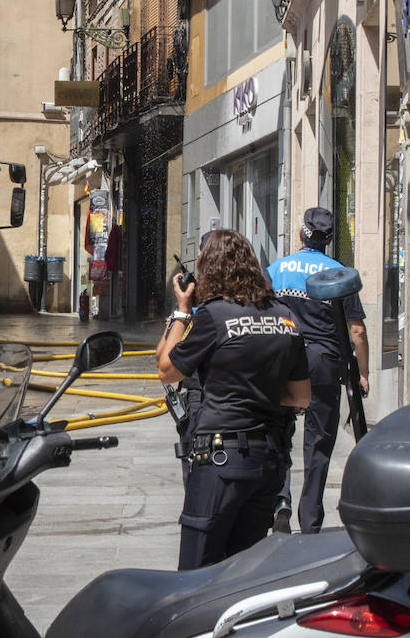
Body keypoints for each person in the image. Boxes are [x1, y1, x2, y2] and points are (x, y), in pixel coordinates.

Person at [156, 229, 310, 570]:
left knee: (197, 574)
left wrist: (182, 311)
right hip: (268, 461)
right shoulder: (285, 317)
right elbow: (301, 396)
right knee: (244, 572)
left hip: (221, 461)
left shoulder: (213, 315)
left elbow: (167, 368)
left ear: (210, 269)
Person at [265, 206, 368, 535]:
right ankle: (310, 519)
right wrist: (362, 374)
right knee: (319, 441)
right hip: (324, 363)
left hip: (282, 357)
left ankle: (280, 501)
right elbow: (358, 332)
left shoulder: (276, 270)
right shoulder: (339, 273)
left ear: (301, 234)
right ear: (329, 239)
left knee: (277, 433)